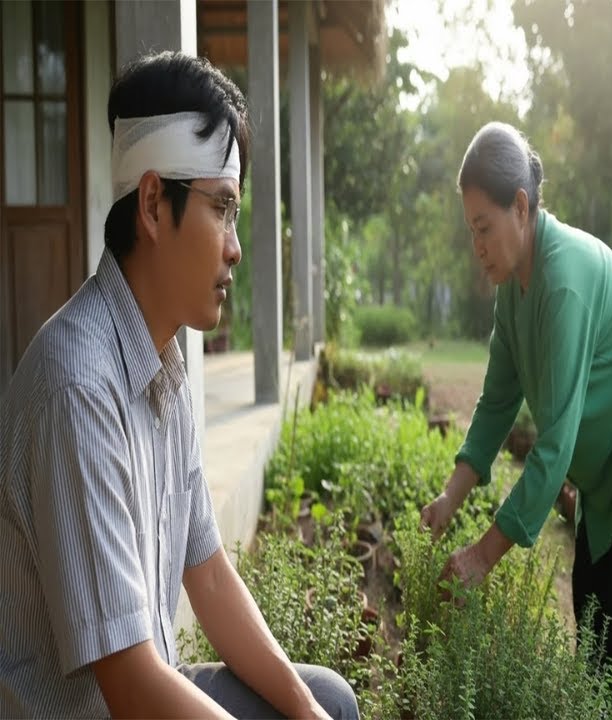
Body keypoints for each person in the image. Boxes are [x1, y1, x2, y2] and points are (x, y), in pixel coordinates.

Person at [0, 52, 356, 718]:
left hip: (142, 686)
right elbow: (133, 687)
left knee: (327, 700)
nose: (235, 247)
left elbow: (209, 574)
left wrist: (303, 708)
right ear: (154, 205)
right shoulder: (76, 386)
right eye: (223, 208)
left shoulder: (162, 362)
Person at [418, 122, 612, 693]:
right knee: (593, 609)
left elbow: (555, 445)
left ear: (521, 207)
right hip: (608, 463)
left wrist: (481, 557)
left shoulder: (563, 280)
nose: (477, 247)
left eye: (484, 228)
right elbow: (497, 401)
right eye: (471, 232)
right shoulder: (513, 289)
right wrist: (451, 496)